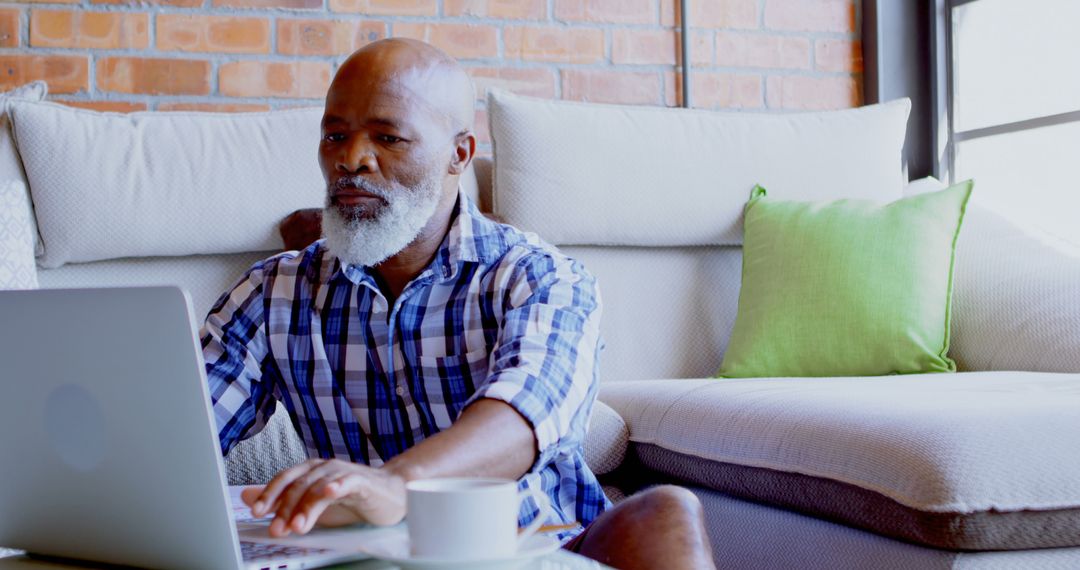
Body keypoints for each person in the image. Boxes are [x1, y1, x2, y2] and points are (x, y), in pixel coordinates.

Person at [201, 38, 716, 570]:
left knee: (667, 511)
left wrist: (395, 485)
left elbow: (522, 419)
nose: (350, 158)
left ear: (459, 153)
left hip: (531, 552)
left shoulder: (539, 278)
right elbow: (186, 427)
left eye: (387, 137)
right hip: (361, 558)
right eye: (335, 135)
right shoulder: (273, 292)